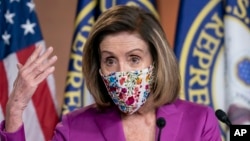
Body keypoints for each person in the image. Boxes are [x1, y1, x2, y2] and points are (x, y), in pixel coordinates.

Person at [0, 5, 222, 141]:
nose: (122, 72)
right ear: (99, 69)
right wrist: (15, 110)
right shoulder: (74, 128)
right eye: (110, 60)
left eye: (134, 58)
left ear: (156, 62)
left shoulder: (199, 121)